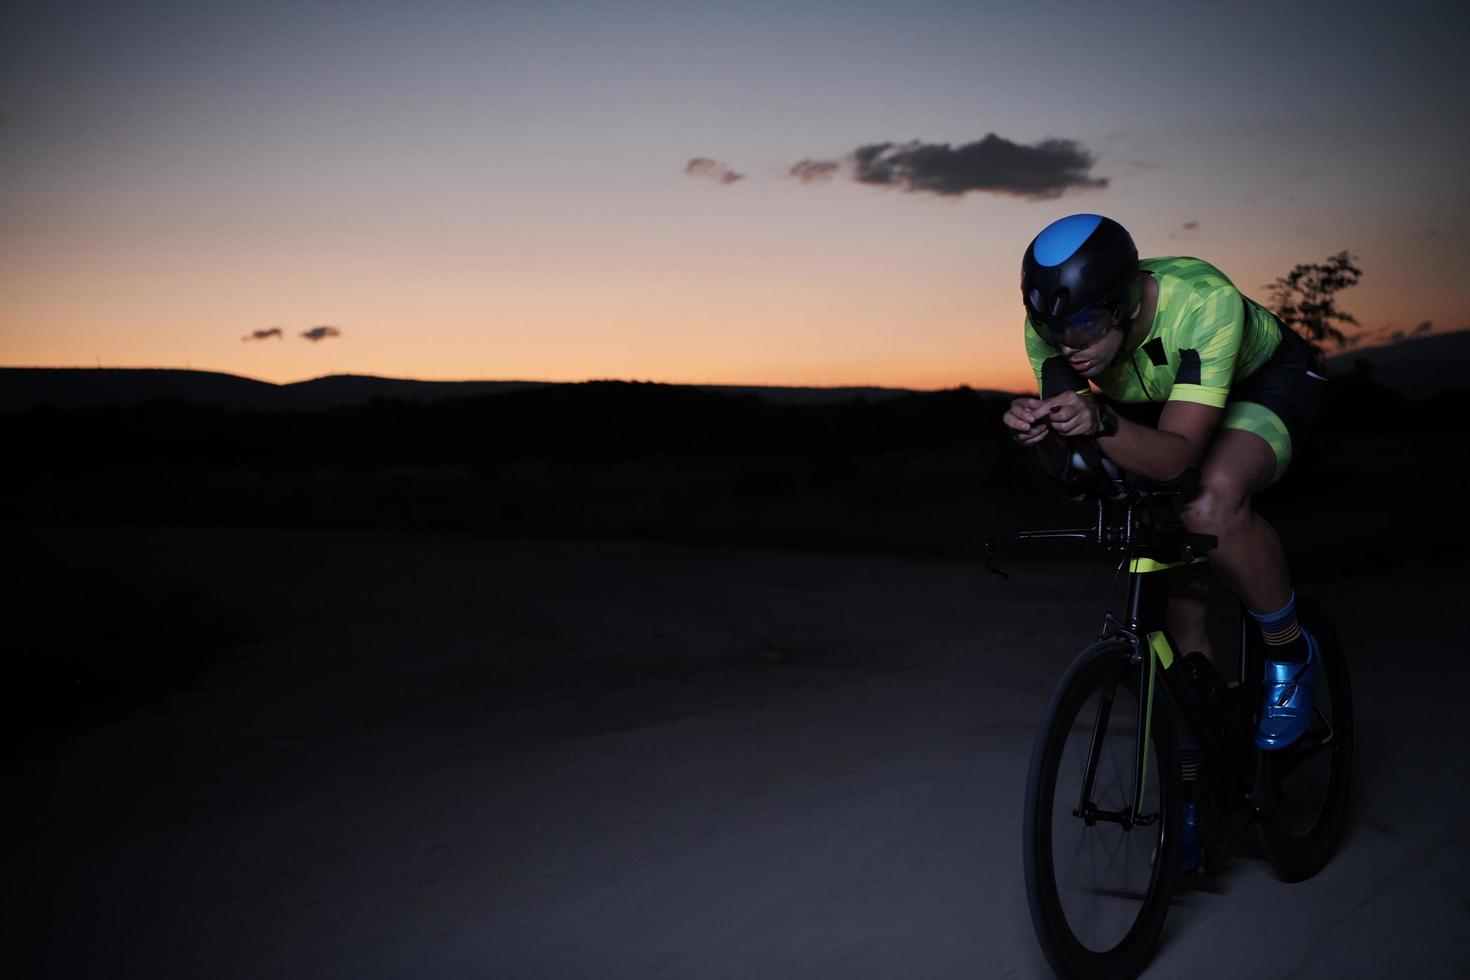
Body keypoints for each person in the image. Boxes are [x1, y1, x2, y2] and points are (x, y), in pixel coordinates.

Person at [1000, 213, 1327, 870]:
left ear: (1124, 300)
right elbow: (1080, 464)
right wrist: (1044, 438)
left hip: (1261, 385)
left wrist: (1097, 419)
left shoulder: (1202, 300)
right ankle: (1193, 795)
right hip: (1156, 405)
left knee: (1210, 501)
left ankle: (1291, 651)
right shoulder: (1056, 333)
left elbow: (1177, 459)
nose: (1067, 345)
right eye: (1051, 328)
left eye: (1086, 325)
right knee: (1178, 629)